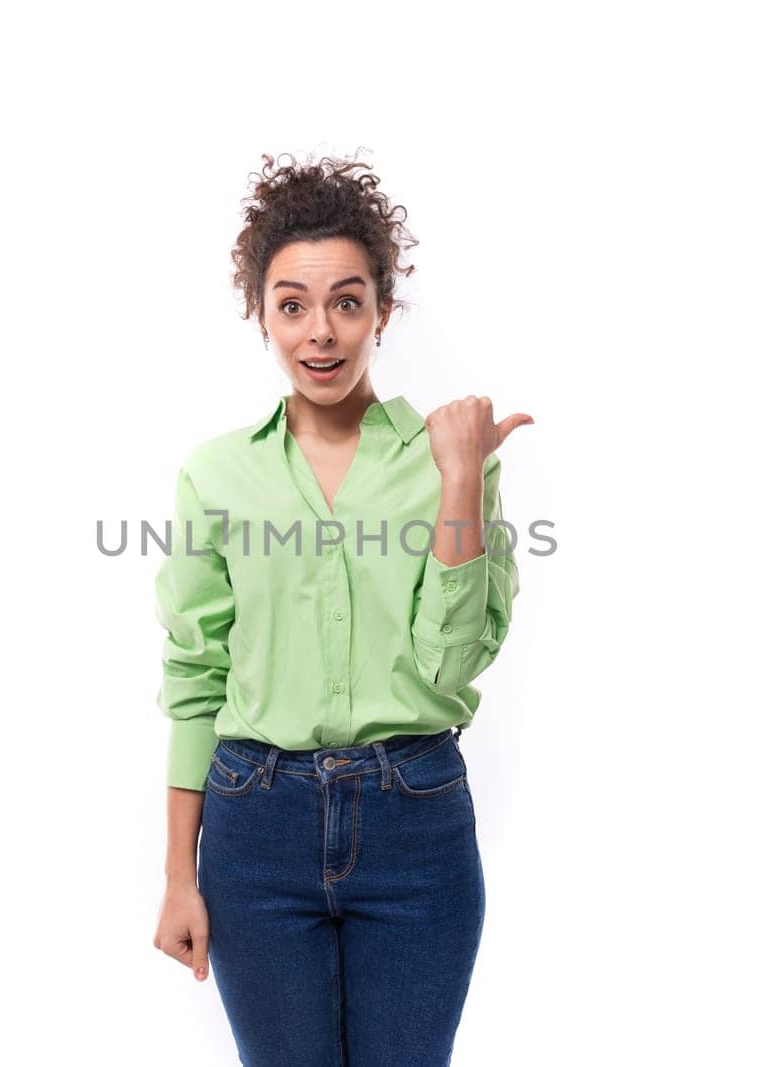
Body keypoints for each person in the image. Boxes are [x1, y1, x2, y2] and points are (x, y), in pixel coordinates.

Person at [150, 151, 531, 1066]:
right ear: (262, 314)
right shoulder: (217, 473)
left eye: (346, 301)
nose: (320, 333)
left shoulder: (452, 460)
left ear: (381, 312)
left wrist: (456, 483)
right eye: (292, 304)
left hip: (417, 822)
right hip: (255, 828)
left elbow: (450, 665)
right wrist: (176, 873)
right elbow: (195, 674)